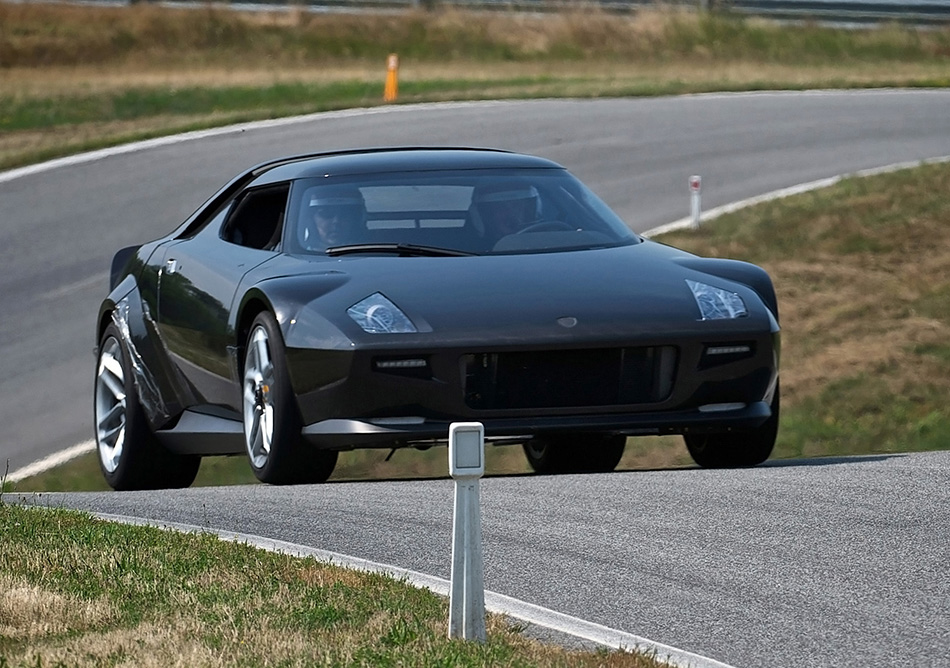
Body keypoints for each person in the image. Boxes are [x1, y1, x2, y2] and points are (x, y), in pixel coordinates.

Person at [300, 186, 366, 248]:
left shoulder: (372, 252)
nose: (336, 221)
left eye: (345, 214)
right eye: (327, 214)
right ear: (311, 220)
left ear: (356, 220)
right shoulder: (298, 256)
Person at [471, 182, 542, 239]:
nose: (511, 212)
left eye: (515, 205)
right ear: (487, 215)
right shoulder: (469, 249)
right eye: (501, 207)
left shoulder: (540, 242)